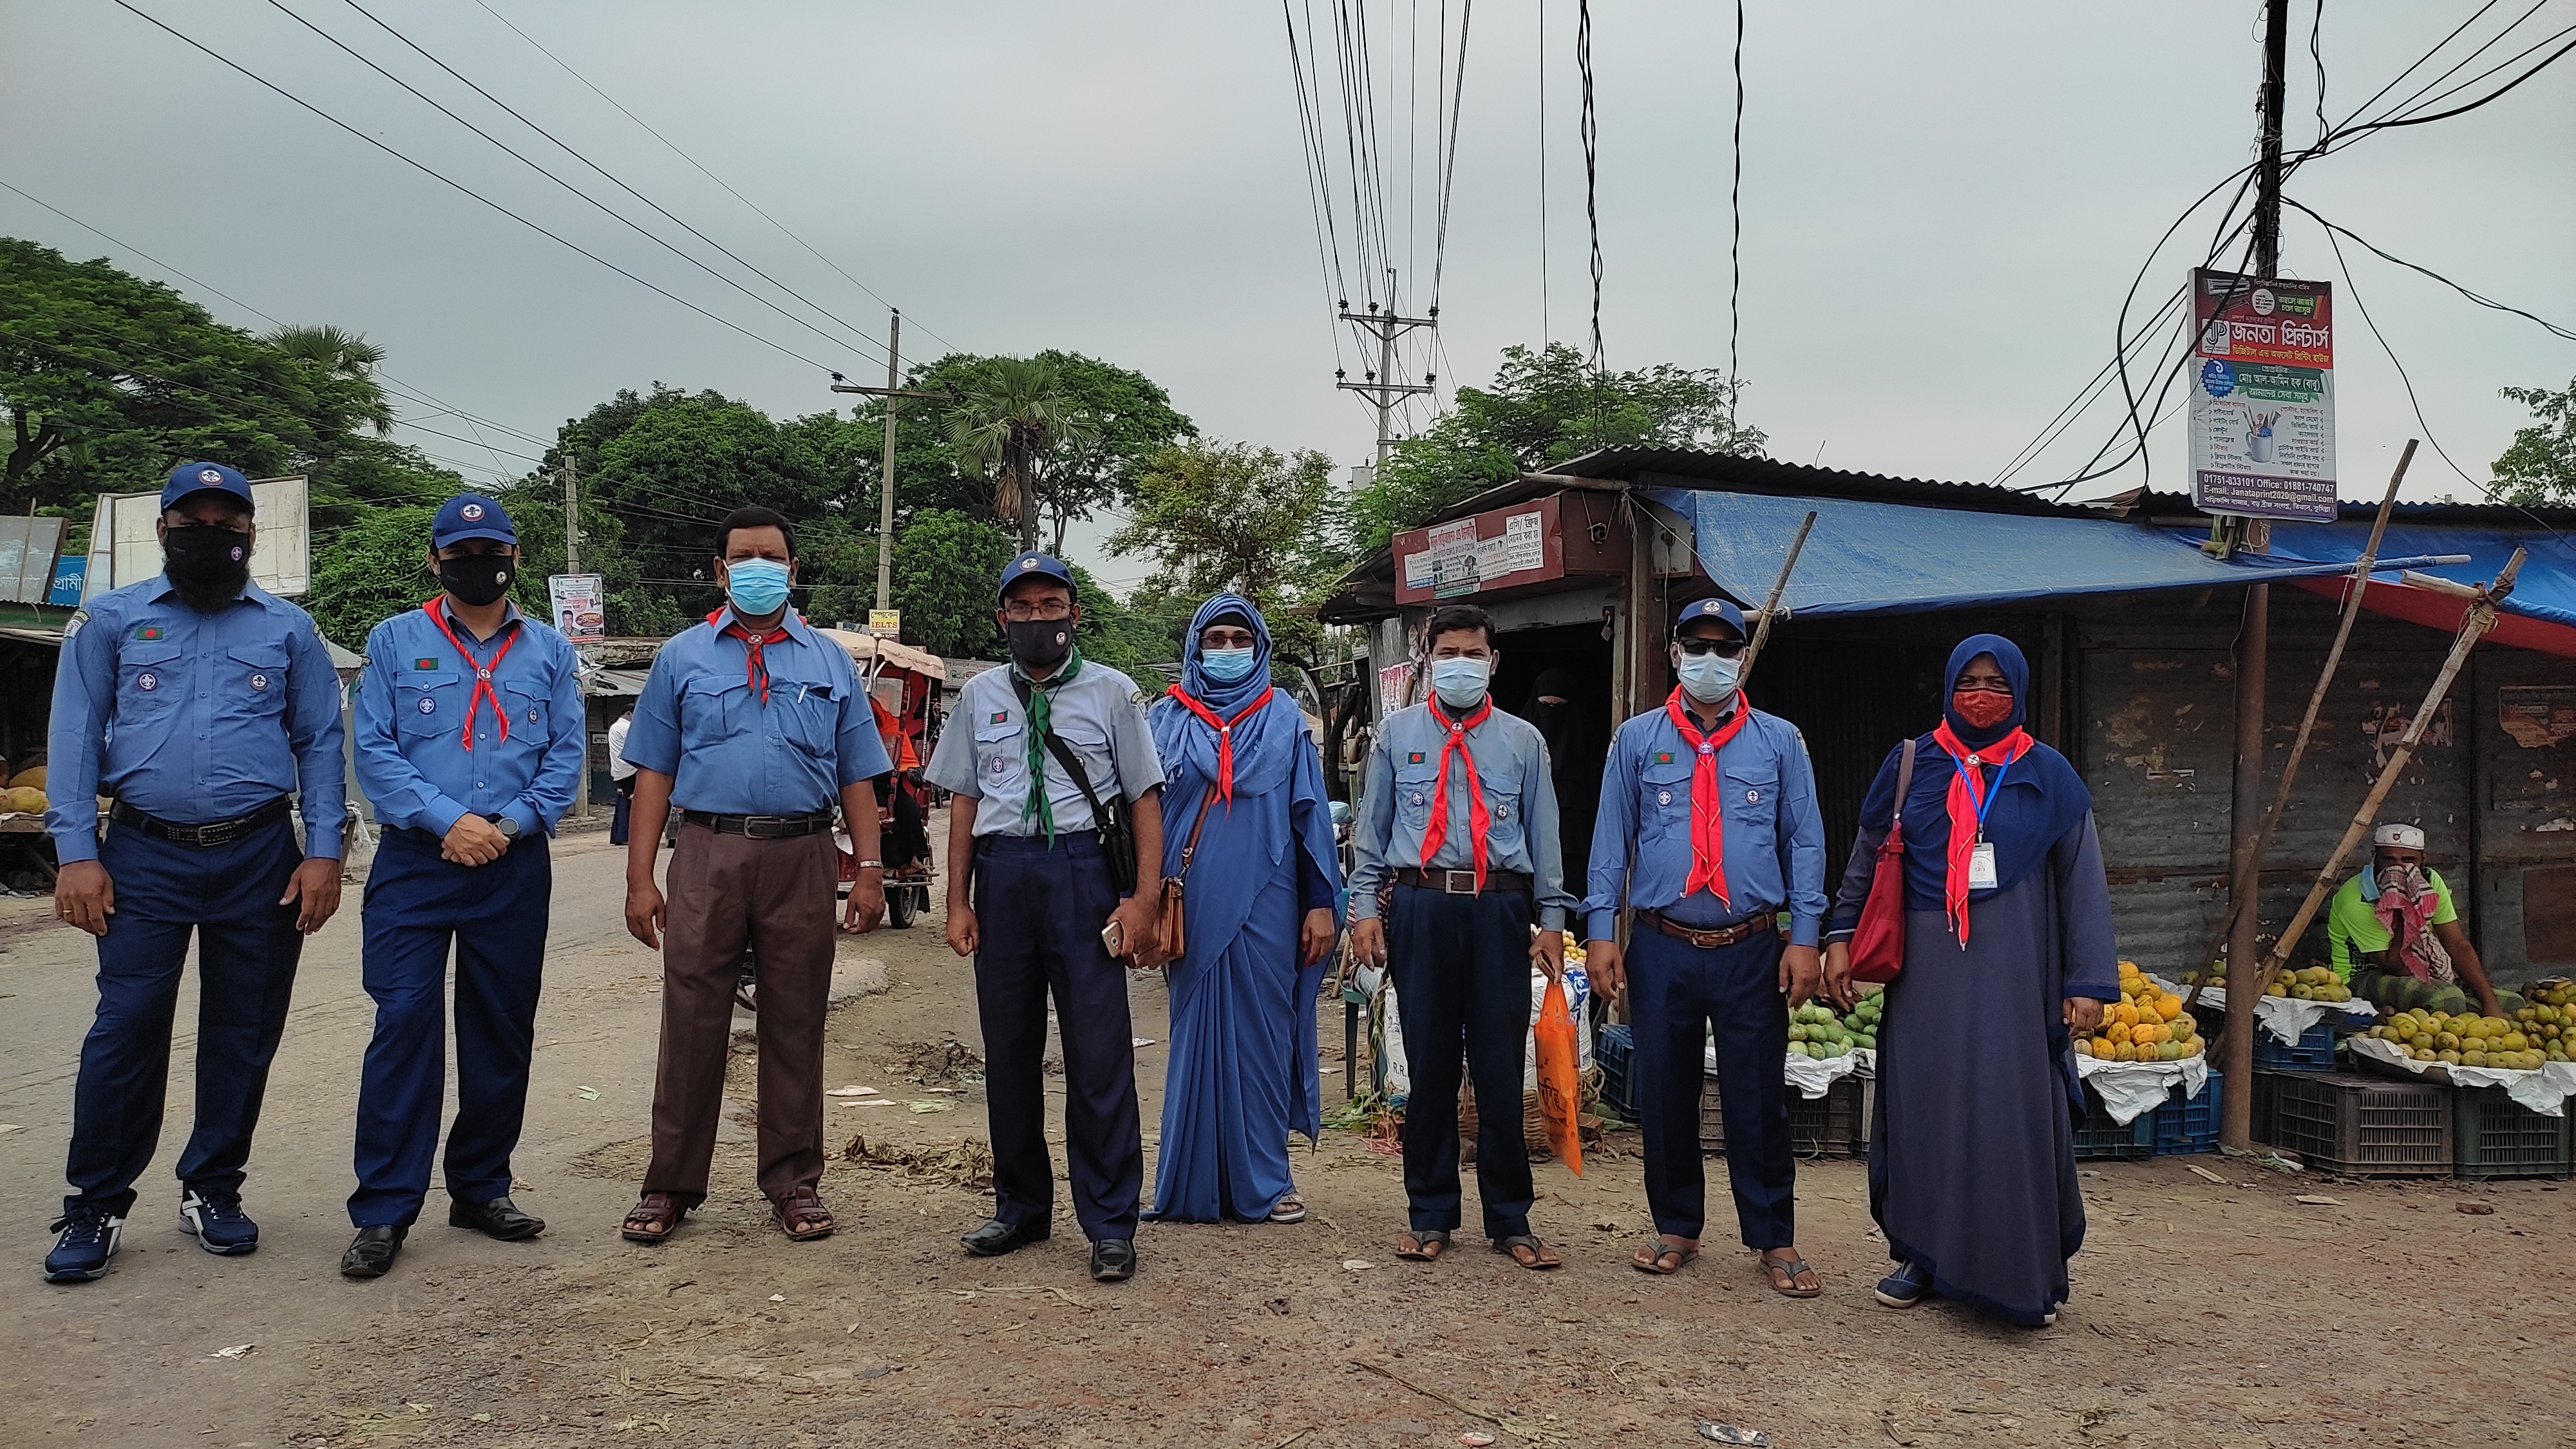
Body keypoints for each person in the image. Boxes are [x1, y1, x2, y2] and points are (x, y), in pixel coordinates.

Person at [41, 461, 348, 1283]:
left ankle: (213, 1185)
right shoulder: (108, 621)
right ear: (164, 529)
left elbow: (320, 742)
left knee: (244, 1029)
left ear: (252, 530)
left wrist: (325, 852)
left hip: (259, 856)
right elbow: (73, 739)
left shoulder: (288, 630)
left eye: (227, 523)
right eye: (193, 522)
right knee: (127, 1026)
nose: (211, 535)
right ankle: (96, 1203)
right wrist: (77, 853)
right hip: (141, 854)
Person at [1823, 634, 2117, 1328]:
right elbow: (1867, 859)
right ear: (1948, 687)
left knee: (2009, 1115)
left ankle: (2024, 1272)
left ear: (2017, 691)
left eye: (1997, 684)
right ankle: (1922, 1255)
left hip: (2018, 977)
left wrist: (2089, 982)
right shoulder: (1910, 765)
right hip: (1925, 978)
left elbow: (2083, 883)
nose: (1981, 695)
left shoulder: (2048, 774)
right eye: (1968, 682)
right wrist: (1839, 937)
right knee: (1927, 1110)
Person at [618, 506, 889, 1246]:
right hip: (708, 852)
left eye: (771, 556)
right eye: (743, 556)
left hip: (803, 855)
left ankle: (794, 1181)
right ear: (720, 570)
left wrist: (868, 871)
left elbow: (860, 774)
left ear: (793, 572)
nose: (758, 567)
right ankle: (670, 1183)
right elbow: (653, 773)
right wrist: (642, 878)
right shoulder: (682, 658)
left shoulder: (829, 660)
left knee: (796, 1018)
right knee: (693, 1018)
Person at [338, 495, 585, 1278]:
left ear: (515, 554)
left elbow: (564, 755)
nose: (482, 563)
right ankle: (383, 1208)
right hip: (417, 862)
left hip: (512, 865)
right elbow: (373, 750)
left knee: (501, 1027)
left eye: (495, 549)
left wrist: (506, 827)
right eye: (464, 551)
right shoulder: (393, 641)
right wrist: (449, 821)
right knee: (405, 1024)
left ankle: (481, 1187)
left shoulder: (549, 650)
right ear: (436, 560)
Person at [925, 553, 1165, 1283]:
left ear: (1074, 614)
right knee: (1010, 1052)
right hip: (1004, 876)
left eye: (1049, 605)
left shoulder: (1113, 693)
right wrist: (958, 899)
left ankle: (1109, 1221)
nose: (1037, 619)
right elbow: (963, 802)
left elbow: (1143, 801)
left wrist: (1143, 899)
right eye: (1022, 608)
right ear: (1003, 618)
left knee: (1099, 1055)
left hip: (1084, 879)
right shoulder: (977, 697)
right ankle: (1021, 1208)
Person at [1581, 598, 1829, 1294]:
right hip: (1662, 946)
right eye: (1699, 645)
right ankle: (1675, 1227)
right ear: (1675, 652)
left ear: (1743, 658)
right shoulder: (1636, 740)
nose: (1711, 660)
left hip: (1752, 944)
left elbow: (1804, 843)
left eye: (1727, 648)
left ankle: (1773, 1237)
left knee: (1756, 1097)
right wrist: (1602, 933)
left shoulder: (1781, 741)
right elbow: (1610, 842)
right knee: (1662, 1093)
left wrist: (1803, 937)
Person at [1348, 603, 1576, 1271]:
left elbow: (1546, 838)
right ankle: (1429, 1214)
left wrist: (1553, 923)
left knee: (1502, 1071)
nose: (1460, 666)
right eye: (1447, 654)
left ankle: (1511, 1219)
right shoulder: (1396, 736)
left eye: (1472, 655)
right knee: (1431, 1066)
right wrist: (1364, 910)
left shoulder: (1523, 742)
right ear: (1426, 661)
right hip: (1420, 908)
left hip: (1499, 913)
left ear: (1493, 661)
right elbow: (1373, 831)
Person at [1143, 594, 1343, 1224]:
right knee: (1194, 1039)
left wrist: (1320, 906)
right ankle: (1189, 1182)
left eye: (1239, 639)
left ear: (1259, 650)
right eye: (1215, 638)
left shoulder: (1286, 721)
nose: (1226, 651)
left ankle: (1265, 1181)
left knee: (1262, 1040)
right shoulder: (1164, 721)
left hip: (1270, 905)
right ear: (1194, 646)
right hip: (1191, 905)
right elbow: (1139, 820)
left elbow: (1310, 819)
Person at [2328, 822, 2517, 1018]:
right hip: (2362, 976)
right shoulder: (2356, 899)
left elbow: (2457, 944)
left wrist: (2490, 1004)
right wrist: (2404, 910)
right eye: (2389, 860)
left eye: (2409, 860)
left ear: (2422, 860)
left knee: (2510, 1003)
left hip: (2422, 964)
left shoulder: (2430, 881)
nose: (2399, 869)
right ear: (2374, 858)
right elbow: (2396, 967)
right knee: (2446, 999)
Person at [1520, 667, 1601, 891]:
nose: (1551, 715)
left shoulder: (1588, 749)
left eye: (1559, 708)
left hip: (1576, 847)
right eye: (1545, 707)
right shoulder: (1517, 743)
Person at [607, 705, 637, 847]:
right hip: (630, 770)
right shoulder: (626, 728)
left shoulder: (614, 727)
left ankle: (618, 836)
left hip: (618, 771)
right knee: (631, 804)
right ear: (629, 714)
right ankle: (625, 836)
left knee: (622, 803)